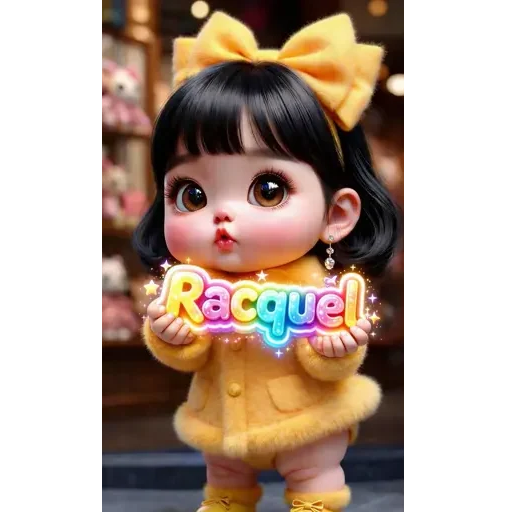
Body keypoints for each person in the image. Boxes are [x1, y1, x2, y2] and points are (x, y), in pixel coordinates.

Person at [133, 11, 400, 512]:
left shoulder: (319, 286)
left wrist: (336, 348)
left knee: (315, 476)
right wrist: (171, 335)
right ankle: (225, 502)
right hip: (219, 421)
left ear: (337, 214)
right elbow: (190, 354)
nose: (222, 215)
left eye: (268, 189)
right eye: (192, 194)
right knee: (224, 481)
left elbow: (329, 364)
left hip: (307, 419)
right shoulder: (192, 283)